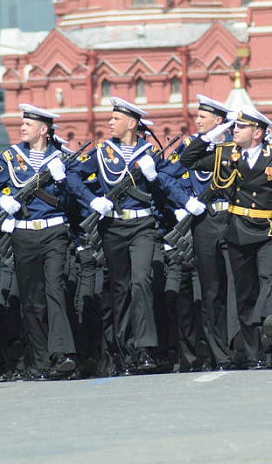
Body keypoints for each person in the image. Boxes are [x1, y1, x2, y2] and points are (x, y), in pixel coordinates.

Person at [66, 97, 185, 374]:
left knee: (141, 281)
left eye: (116, 119)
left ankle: (144, 349)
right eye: (111, 118)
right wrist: (92, 200)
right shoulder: (102, 152)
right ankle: (124, 349)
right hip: (113, 227)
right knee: (120, 288)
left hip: (143, 226)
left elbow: (165, 186)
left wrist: (154, 178)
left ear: (132, 124)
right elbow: (72, 175)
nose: (110, 122)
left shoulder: (149, 154)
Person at [180, 105, 272, 369]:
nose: (234, 130)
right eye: (234, 126)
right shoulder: (224, 153)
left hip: (270, 230)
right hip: (238, 231)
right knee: (245, 295)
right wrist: (209, 137)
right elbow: (186, 161)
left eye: (240, 127)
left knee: (270, 278)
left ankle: (270, 318)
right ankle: (254, 354)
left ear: (257, 132)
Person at [0, 104, 76, 379]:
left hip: (54, 231)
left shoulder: (60, 159)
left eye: (28, 125)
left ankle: (62, 354)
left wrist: (62, 181)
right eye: (23, 123)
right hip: (23, 233)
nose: (22, 128)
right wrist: (2, 199)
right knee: (31, 298)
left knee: (55, 290)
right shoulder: (11, 157)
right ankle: (40, 361)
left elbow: (70, 203)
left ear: (43, 130)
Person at [157, 94, 238, 371]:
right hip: (198, 223)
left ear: (218, 121)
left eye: (203, 117)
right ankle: (216, 354)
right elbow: (170, 172)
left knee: (235, 287)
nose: (198, 120)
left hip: (230, 219)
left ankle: (236, 347)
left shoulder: (233, 148)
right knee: (208, 292)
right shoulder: (193, 148)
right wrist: (183, 201)